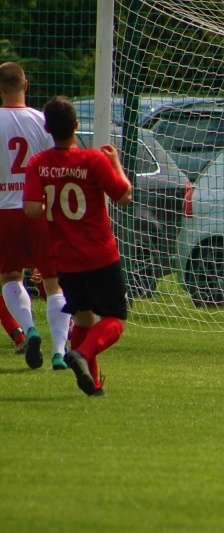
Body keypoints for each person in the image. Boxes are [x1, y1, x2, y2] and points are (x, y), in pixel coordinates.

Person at [23, 95, 133, 396]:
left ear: (47, 129)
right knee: (115, 320)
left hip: (66, 260)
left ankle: (93, 384)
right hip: (99, 254)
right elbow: (124, 195)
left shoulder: (39, 163)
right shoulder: (93, 159)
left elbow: (32, 209)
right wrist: (117, 164)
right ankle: (81, 354)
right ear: (76, 125)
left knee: (83, 316)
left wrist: (49, 198)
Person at [0, 61, 71, 370]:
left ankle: (28, 329)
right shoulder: (42, 122)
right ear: (25, 85)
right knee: (54, 283)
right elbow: (58, 169)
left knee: (11, 277)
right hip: (39, 210)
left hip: (4, 211)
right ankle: (58, 351)